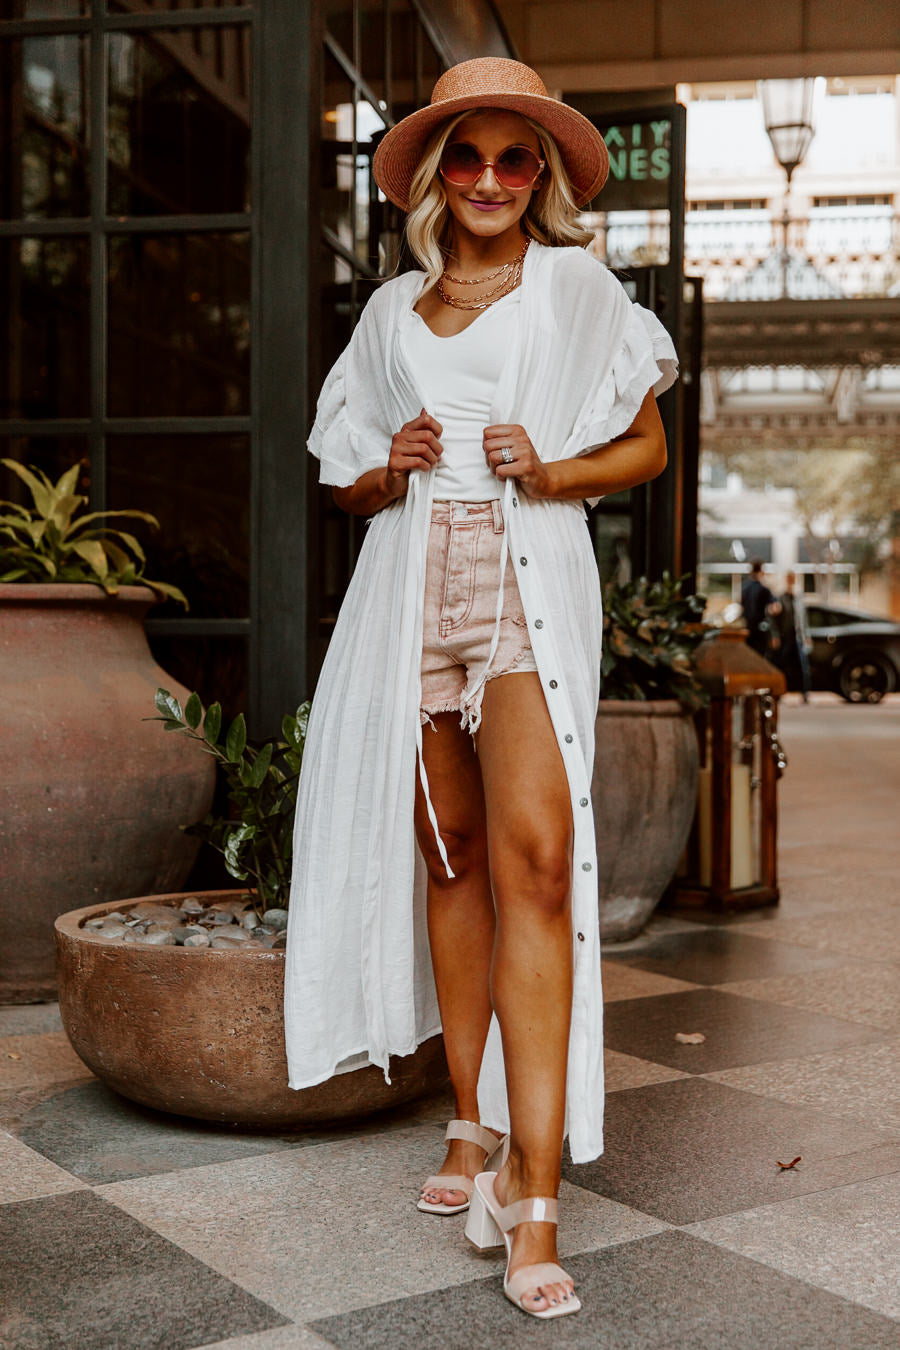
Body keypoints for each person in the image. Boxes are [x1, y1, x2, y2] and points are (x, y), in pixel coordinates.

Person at [283, 57, 677, 1321]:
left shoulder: (574, 286)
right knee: (450, 859)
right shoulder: (389, 310)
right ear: (436, 174)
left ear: (542, 174)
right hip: (408, 590)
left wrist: (552, 470)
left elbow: (648, 442)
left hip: (521, 580)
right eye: (469, 155)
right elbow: (343, 477)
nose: (492, 178)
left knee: (539, 866)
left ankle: (535, 1189)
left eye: (517, 158)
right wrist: (388, 465)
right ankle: (468, 1116)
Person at [769, 570, 811, 700]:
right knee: (782, 665)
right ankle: (780, 691)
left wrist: (806, 636)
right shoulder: (781, 597)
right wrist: (775, 635)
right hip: (785, 636)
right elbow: (774, 619)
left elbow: (803, 619)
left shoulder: (799, 597)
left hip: (798, 636)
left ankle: (805, 692)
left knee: (803, 666)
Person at [740, 559, 775, 656]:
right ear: (761, 571)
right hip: (760, 630)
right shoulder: (764, 589)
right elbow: (774, 608)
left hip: (747, 628)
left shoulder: (744, 589)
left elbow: (741, 607)